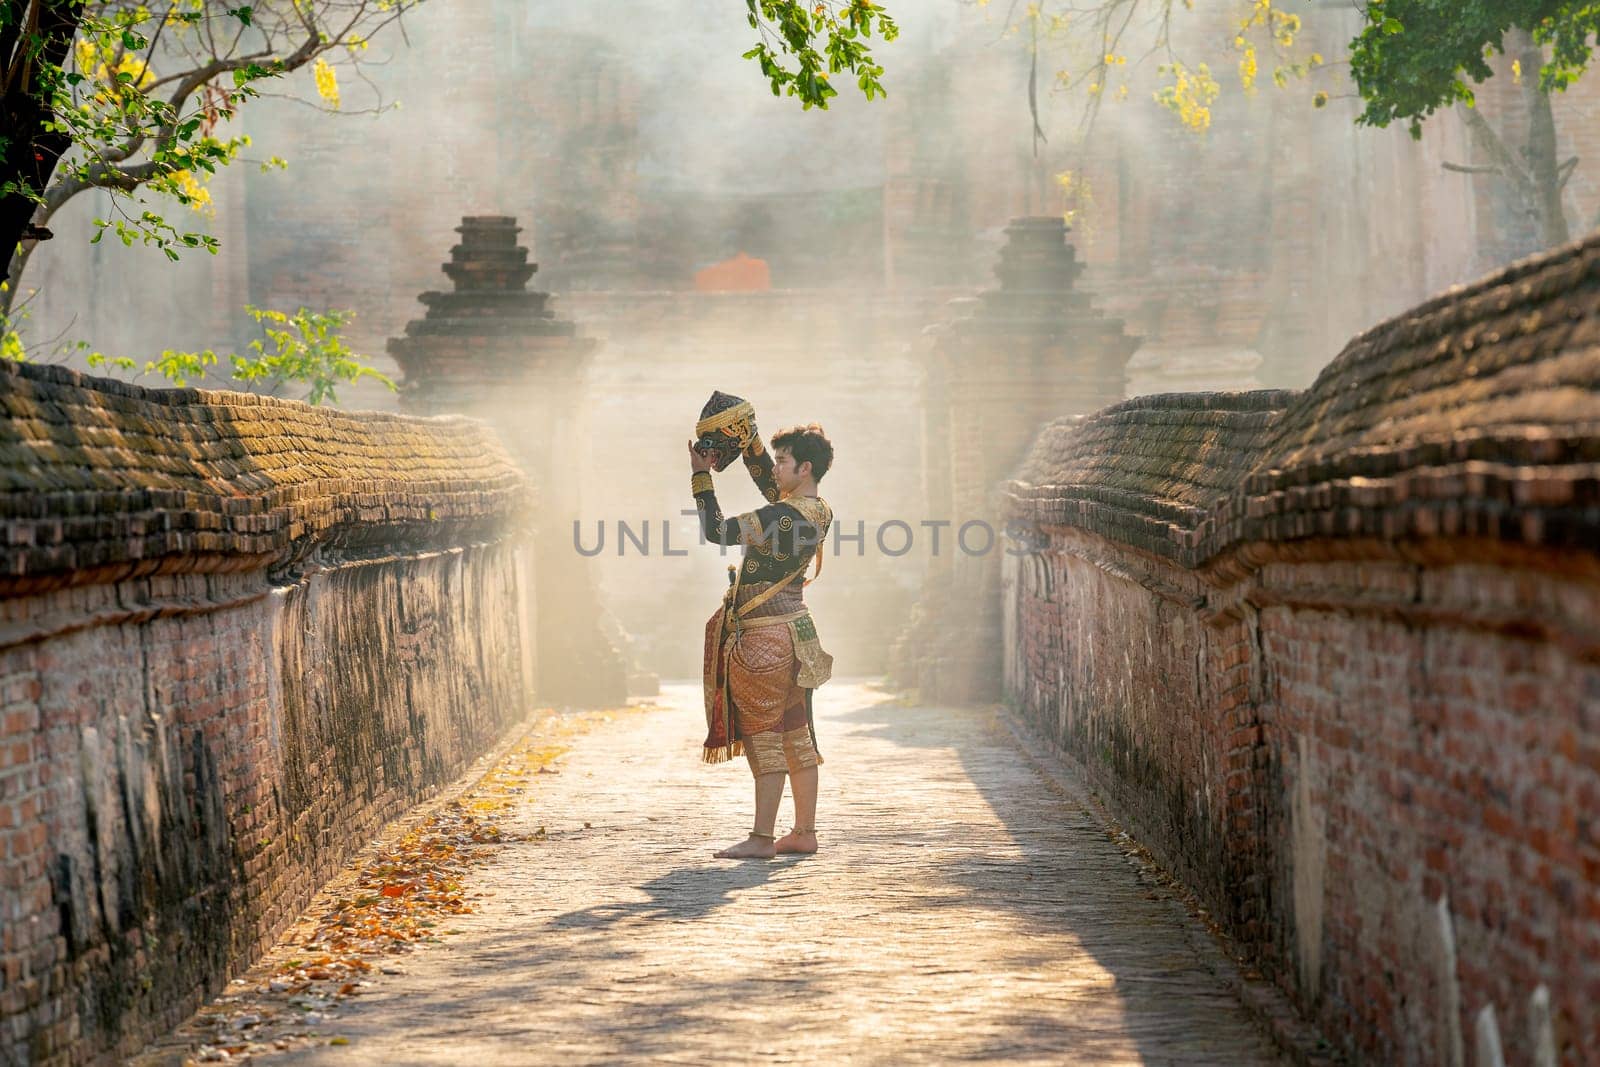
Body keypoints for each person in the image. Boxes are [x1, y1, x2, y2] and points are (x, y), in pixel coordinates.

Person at [688, 422, 834, 859]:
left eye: (783, 461)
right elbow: (771, 484)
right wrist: (748, 439)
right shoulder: (818, 510)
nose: (775, 469)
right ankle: (804, 831)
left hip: (763, 641)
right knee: (797, 734)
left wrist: (701, 476)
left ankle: (761, 838)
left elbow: (716, 531)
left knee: (764, 736)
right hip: (798, 634)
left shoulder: (778, 517)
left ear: (804, 468)